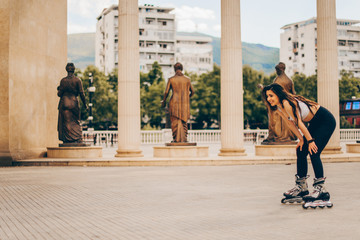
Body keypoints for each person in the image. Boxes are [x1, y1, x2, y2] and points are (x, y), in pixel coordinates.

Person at [262, 83, 336, 207]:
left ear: (278, 94)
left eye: (271, 95)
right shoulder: (279, 107)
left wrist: (310, 141)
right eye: (267, 96)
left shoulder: (287, 103)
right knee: (301, 150)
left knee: (314, 151)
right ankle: (301, 187)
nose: (269, 99)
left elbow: (299, 123)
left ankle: (321, 189)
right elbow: (291, 124)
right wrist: (301, 140)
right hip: (315, 122)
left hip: (325, 121)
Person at [262, 62, 297, 144]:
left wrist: (263, 89)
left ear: (281, 69)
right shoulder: (289, 80)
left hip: (279, 105)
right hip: (287, 105)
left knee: (275, 120)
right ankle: (286, 136)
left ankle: (277, 137)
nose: (276, 71)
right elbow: (293, 93)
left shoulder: (278, 80)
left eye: (277, 70)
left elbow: (273, 92)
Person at [161, 62, 194, 143]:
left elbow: (166, 92)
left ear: (174, 69)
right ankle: (184, 139)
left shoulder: (171, 79)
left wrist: (164, 101)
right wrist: (186, 98)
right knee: (183, 121)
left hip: (174, 103)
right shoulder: (187, 80)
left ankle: (176, 139)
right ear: (182, 69)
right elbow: (193, 92)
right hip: (184, 104)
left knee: (175, 121)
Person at [57, 63, 87, 144]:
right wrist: (85, 104)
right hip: (74, 102)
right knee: (76, 121)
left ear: (66, 69)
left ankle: (67, 140)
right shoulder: (77, 80)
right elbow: (82, 93)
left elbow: (59, 94)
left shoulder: (63, 81)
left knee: (67, 122)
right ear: (74, 69)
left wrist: (59, 89)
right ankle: (77, 138)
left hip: (65, 102)